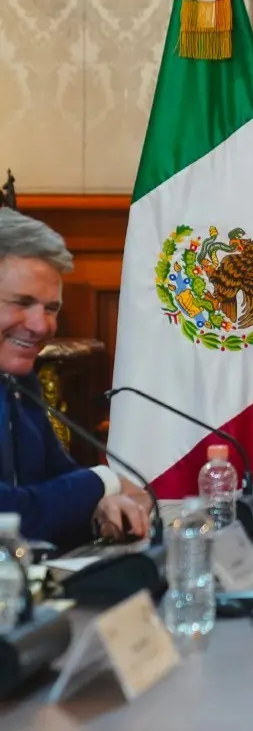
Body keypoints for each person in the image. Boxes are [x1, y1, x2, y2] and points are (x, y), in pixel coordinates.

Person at [0, 208, 151, 548]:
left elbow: (60, 476)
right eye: (22, 303)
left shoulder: (19, 381)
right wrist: (104, 482)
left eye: (51, 308)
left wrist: (103, 505)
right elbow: (9, 511)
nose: (42, 326)